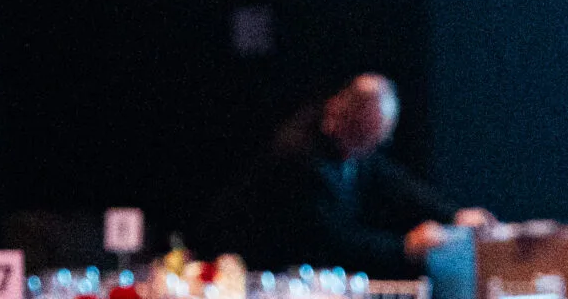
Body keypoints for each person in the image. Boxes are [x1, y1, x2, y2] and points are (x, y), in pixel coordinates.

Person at [203, 74, 493, 277]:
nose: (370, 150)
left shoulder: (351, 142)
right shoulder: (298, 157)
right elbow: (331, 240)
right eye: (367, 140)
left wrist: (454, 215)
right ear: (344, 118)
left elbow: (393, 182)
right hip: (275, 273)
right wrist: (403, 246)